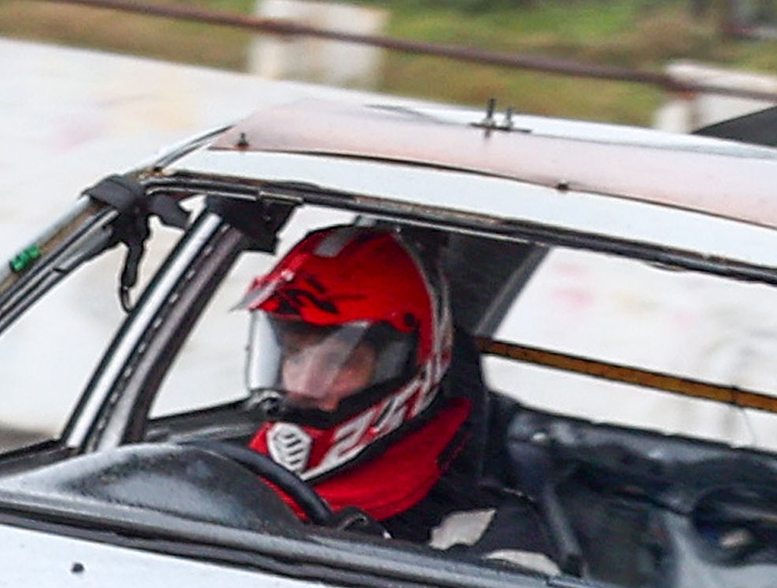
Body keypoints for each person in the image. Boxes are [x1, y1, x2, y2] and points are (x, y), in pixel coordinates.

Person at [205, 225, 549, 562]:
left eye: (341, 363)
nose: (304, 387)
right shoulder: (213, 473)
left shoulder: (492, 536)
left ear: (408, 368)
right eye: (294, 355)